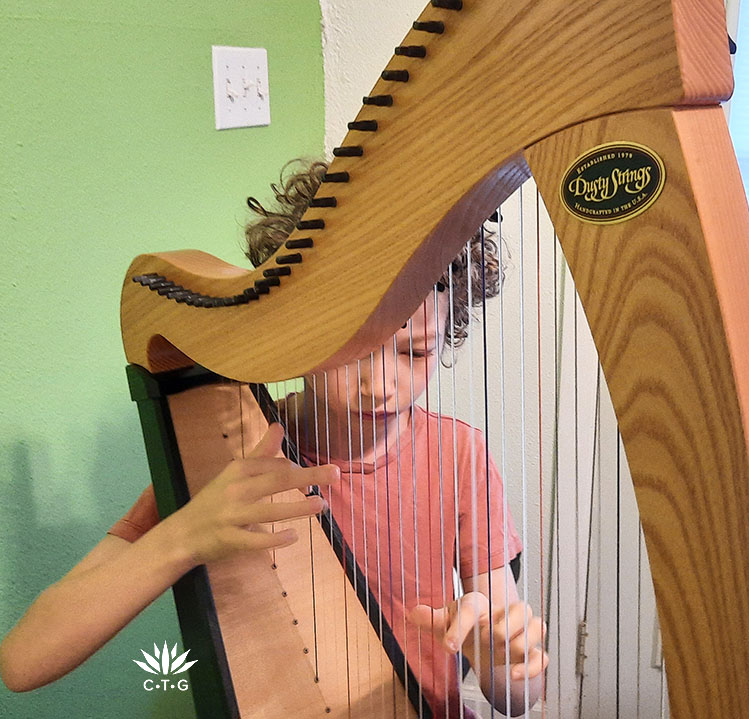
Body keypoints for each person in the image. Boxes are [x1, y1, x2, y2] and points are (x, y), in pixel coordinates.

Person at [0, 161, 547, 718]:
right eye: (351, 350)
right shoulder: (234, 464)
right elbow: (22, 663)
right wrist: (186, 535)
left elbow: (517, 698)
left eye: (415, 352)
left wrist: (500, 658)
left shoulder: (458, 458)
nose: (380, 385)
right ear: (294, 332)